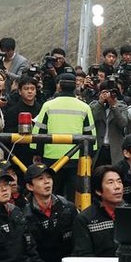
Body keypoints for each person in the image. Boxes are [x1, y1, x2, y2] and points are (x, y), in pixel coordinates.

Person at [23, 163, 80, 262]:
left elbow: (79, 243)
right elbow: (28, 253)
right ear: (29, 186)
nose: (47, 182)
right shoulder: (23, 216)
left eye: (49, 177)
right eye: (40, 179)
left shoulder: (68, 208)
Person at [33, 73, 97, 202]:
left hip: (51, 158)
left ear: (59, 86)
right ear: (75, 87)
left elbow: (39, 132)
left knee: (51, 194)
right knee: (73, 197)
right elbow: (90, 136)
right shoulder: (84, 107)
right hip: (75, 159)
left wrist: (36, 153)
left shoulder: (48, 105)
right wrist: (89, 155)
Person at [89, 78, 129, 168]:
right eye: (105, 92)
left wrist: (114, 107)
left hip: (114, 150)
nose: (108, 95)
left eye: (110, 92)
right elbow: (90, 120)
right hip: (98, 149)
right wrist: (100, 103)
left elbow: (123, 124)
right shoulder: (94, 105)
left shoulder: (122, 106)